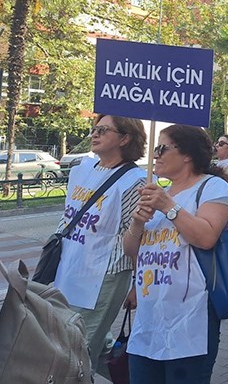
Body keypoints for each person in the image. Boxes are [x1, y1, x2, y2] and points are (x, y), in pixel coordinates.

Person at [124, 125, 228, 384]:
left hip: (190, 320)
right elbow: (131, 250)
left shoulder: (212, 188)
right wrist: (137, 224)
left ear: (187, 154)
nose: (155, 155)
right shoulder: (160, 193)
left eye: (162, 148)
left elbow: (206, 238)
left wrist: (168, 207)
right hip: (149, 318)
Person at [53, 115, 147, 378]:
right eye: (95, 129)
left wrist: (136, 285)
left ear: (125, 137)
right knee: (73, 335)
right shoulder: (84, 171)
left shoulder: (134, 182)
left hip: (105, 275)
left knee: (78, 349)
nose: (95, 134)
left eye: (104, 130)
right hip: (71, 266)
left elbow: (140, 238)